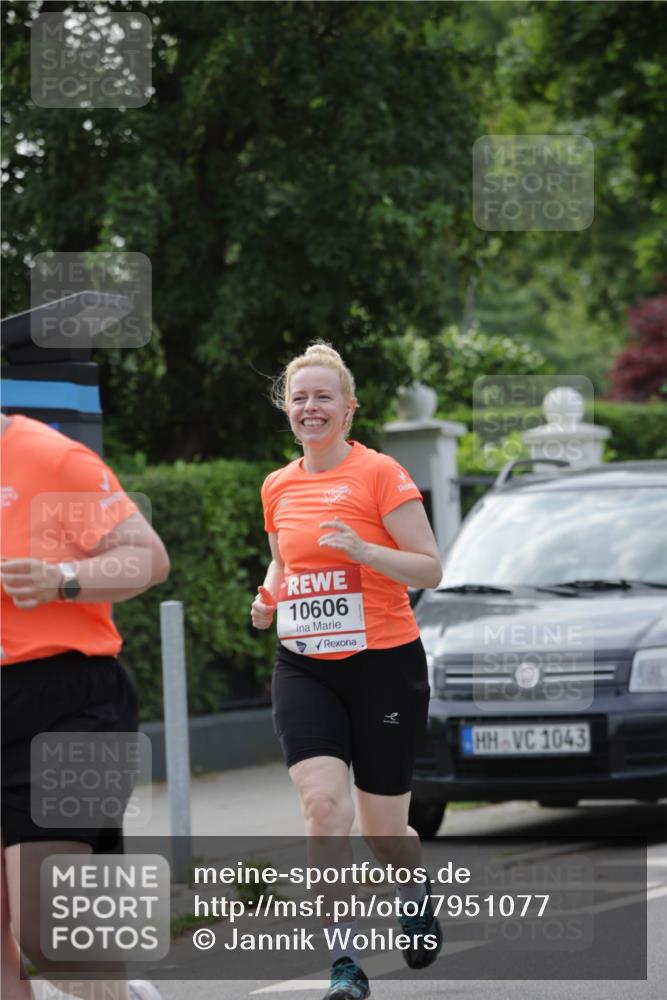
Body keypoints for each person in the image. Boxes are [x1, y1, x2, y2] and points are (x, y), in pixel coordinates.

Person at [251, 342, 444, 1000]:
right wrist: (267, 596)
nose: (310, 407)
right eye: (298, 397)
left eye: (322, 396)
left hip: (384, 666)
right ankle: (343, 963)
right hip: (304, 668)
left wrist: (364, 549)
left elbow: (429, 567)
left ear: (347, 408)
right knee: (322, 810)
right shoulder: (276, 485)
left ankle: (412, 886)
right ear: (287, 409)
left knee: (382, 830)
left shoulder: (380, 475)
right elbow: (285, 562)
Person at [0, 411, 170, 1000]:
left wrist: (63, 578)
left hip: (69, 700)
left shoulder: (49, 458)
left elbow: (148, 558)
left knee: (47, 930)